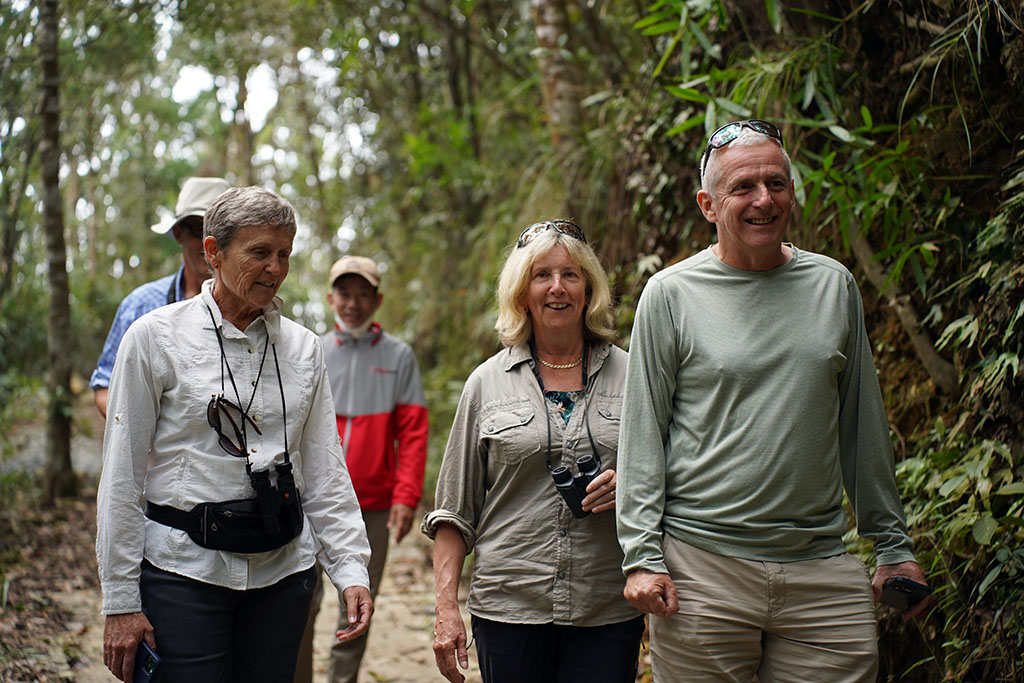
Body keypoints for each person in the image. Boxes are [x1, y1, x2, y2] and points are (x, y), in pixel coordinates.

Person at [615, 119, 931, 682]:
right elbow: (643, 438)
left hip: (821, 569)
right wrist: (642, 558)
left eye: (777, 183)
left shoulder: (833, 286)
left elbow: (863, 427)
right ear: (708, 205)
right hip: (701, 569)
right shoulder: (670, 295)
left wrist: (892, 546)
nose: (764, 200)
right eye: (743, 188)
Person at [95, 186, 373, 682]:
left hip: (282, 575)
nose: (275, 268)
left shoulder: (304, 349)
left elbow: (325, 469)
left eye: (284, 254)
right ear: (212, 253)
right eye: (260, 253)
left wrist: (350, 569)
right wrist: (120, 601)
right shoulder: (154, 338)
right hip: (183, 572)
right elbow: (122, 475)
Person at [423, 220, 644, 683]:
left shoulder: (635, 376)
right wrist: (446, 610)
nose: (557, 288)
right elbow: (453, 513)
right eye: (542, 275)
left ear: (589, 289)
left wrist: (634, 483)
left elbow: (673, 473)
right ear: (522, 292)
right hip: (509, 607)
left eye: (571, 274)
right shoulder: (486, 383)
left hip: (606, 607)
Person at [294, 256, 429, 683]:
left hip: (371, 504)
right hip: (308, 502)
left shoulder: (398, 356)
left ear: (377, 300)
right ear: (331, 298)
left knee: (357, 604)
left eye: (363, 294)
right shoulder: (310, 350)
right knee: (299, 603)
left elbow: (412, 432)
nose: (353, 303)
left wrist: (406, 496)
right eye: (345, 294)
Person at [90, 176, 231, 417]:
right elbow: (105, 386)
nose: (210, 243)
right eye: (200, 230)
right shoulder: (141, 305)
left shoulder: (252, 310)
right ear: (178, 233)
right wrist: (144, 438)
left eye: (222, 233)